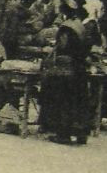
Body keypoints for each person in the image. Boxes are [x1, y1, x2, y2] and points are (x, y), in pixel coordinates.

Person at [39, 17, 92, 145]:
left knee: (64, 102)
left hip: (67, 69)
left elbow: (62, 46)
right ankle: (81, 134)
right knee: (80, 101)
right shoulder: (81, 26)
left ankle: (63, 135)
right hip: (80, 69)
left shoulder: (66, 28)